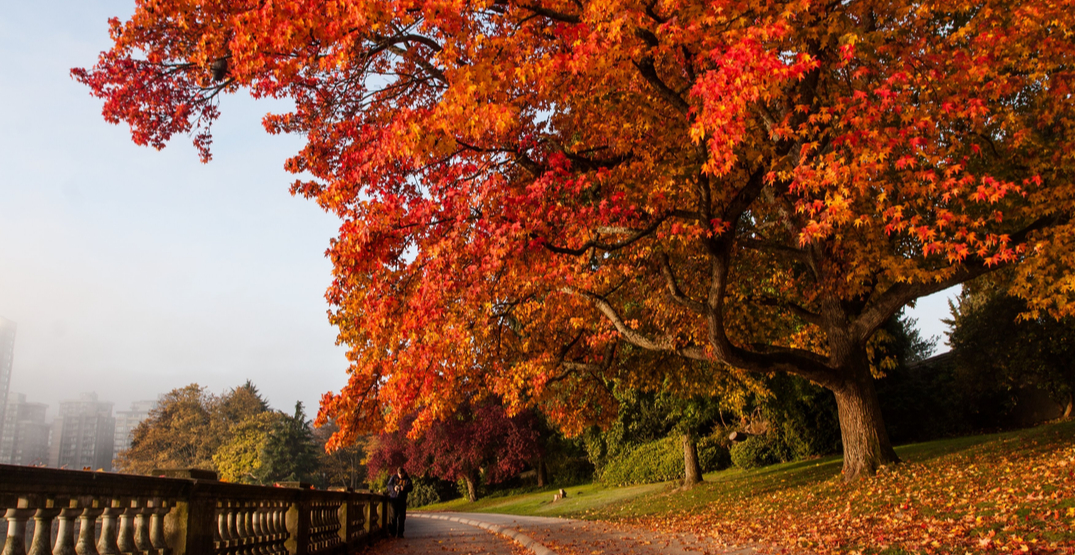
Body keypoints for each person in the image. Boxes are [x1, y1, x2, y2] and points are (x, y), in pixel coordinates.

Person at [386, 467, 414, 538]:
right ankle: (393, 533)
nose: (400, 476)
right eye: (399, 474)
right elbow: (388, 485)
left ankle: (400, 533)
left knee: (401, 517)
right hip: (393, 499)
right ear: (397, 473)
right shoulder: (394, 477)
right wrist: (394, 488)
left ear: (404, 473)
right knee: (393, 516)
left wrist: (404, 488)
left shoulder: (407, 479)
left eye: (402, 474)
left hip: (402, 500)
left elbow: (410, 487)